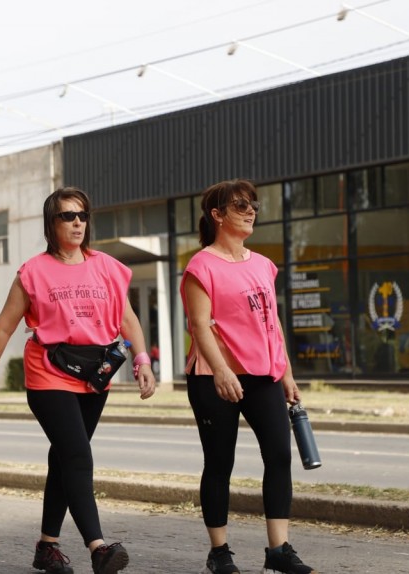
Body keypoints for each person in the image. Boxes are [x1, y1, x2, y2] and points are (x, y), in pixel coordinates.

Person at [0, 187, 156, 574]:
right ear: (50, 224)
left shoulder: (106, 266)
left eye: (82, 216)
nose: (77, 223)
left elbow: (127, 319)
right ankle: (98, 547)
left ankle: (47, 547)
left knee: (64, 459)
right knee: (77, 455)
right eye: (67, 216)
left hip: (96, 375)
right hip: (49, 373)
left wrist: (142, 359)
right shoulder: (33, 272)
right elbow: (4, 328)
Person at [180, 179, 315, 574]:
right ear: (217, 215)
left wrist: (287, 371)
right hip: (214, 377)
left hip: (263, 375)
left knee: (279, 455)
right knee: (220, 462)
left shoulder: (262, 264)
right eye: (240, 205)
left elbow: (272, 322)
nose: (251, 210)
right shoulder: (200, 266)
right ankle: (219, 553)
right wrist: (221, 370)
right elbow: (199, 326)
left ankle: (279, 550)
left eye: (253, 205)